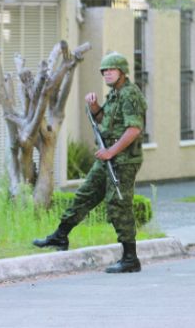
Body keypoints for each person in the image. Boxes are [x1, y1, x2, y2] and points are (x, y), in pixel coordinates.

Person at [32, 51, 147, 274]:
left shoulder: (130, 95)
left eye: (111, 70)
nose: (107, 74)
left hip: (123, 160)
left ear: (123, 72)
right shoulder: (115, 94)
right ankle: (60, 236)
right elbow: (108, 122)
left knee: (118, 204)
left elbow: (134, 129)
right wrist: (95, 108)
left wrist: (111, 151)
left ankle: (131, 258)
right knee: (85, 195)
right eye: (104, 71)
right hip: (108, 157)